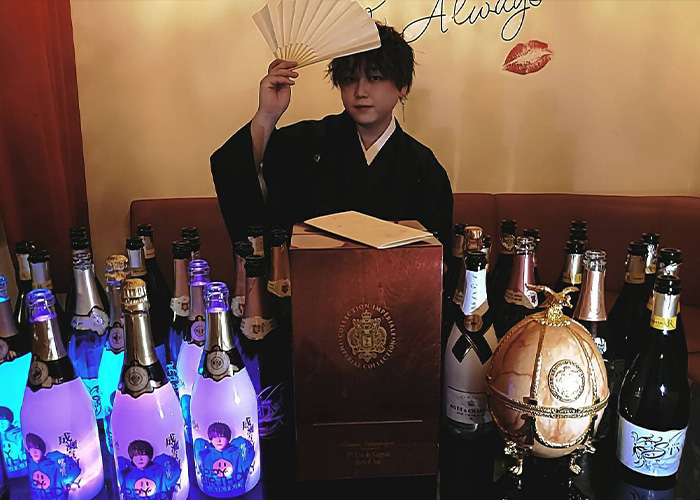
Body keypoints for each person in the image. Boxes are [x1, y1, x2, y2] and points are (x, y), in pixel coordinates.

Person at [211, 23, 453, 253]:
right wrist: (267, 114)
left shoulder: (422, 167)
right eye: (349, 79)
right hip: (309, 280)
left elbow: (438, 259)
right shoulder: (306, 143)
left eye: (375, 77)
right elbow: (235, 175)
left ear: (403, 87)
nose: (360, 92)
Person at [194, 421, 255, 495]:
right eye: (214, 437)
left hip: (237, 494)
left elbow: (249, 453)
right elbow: (198, 444)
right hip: (210, 495)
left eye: (222, 436)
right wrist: (207, 444)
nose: (218, 440)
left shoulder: (237, 454)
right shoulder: (205, 455)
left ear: (228, 437)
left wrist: (236, 441)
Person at [117, 439, 182, 500]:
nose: (140, 459)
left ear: (149, 455)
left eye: (143, 454)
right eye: (136, 455)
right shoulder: (126, 474)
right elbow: (116, 467)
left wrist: (161, 459)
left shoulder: (160, 472)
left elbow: (173, 474)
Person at [25, 433, 80, 499]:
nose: (34, 452)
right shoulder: (30, 464)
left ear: (42, 448)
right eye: (31, 448)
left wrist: (67, 483)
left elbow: (74, 471)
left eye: (36, 448)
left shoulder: (53, 460)